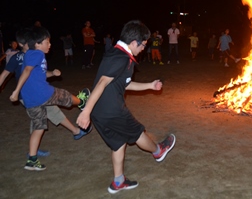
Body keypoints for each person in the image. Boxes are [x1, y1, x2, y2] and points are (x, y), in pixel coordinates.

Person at [76, 20, 176, 194]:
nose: (144, 48)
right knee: (137, 133)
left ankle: (118, 181)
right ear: (133, 42)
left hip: (101, 113)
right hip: (112, 111)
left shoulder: (120, 54)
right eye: (143, 44)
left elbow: (123, 84)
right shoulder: (120, 58)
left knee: (118, 143)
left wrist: (150, 85)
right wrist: (85, 112)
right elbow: (102, 83)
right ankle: (159, 151)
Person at [9, 26, 91, 171]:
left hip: (30, 100)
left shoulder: (29, 54)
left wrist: (52, 73)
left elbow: (37, 73)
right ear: (38, 44)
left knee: (38, 127)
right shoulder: (38, 54)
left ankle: (32, 160)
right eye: (47, 42)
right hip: (42, 93)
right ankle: (82, 101)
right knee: (65, 96)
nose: (50, 44)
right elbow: (27, 71)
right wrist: (15, 91)